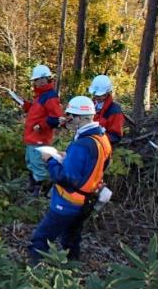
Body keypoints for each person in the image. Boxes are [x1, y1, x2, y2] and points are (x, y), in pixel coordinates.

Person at [28, 96, 112, 265]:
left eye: (70, 117)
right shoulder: (101, 138)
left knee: (40, 239)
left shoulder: (81, 144)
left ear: (81, 118)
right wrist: (67, 158)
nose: (67, 120)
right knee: (71, 239)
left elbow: (65, 178)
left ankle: (33, 274)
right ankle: (72, 269)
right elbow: (98, 164)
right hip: (86, 200)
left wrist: (50, 160)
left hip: (68, 202)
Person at [16, 65, 65, 196]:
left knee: (38, 165)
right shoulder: (40, 95)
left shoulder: (50, 96)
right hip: (32, 137)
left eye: (41, 79)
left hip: (40, 138)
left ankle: (41, 190)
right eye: (36, 79)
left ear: (46, 79)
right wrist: (25, 105)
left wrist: (41, 126)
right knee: (30, 162)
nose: (38, 81)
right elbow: (37, 111)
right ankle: (33, 186)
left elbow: (56, 117)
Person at [88, 74, 125, 145]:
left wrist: (98, 137)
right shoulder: (90, 105)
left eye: (99, 95)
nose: (96, 97)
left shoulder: (114, 110)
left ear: (107, 94)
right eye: (94, 94)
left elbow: (115, 137)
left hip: (103, 147)